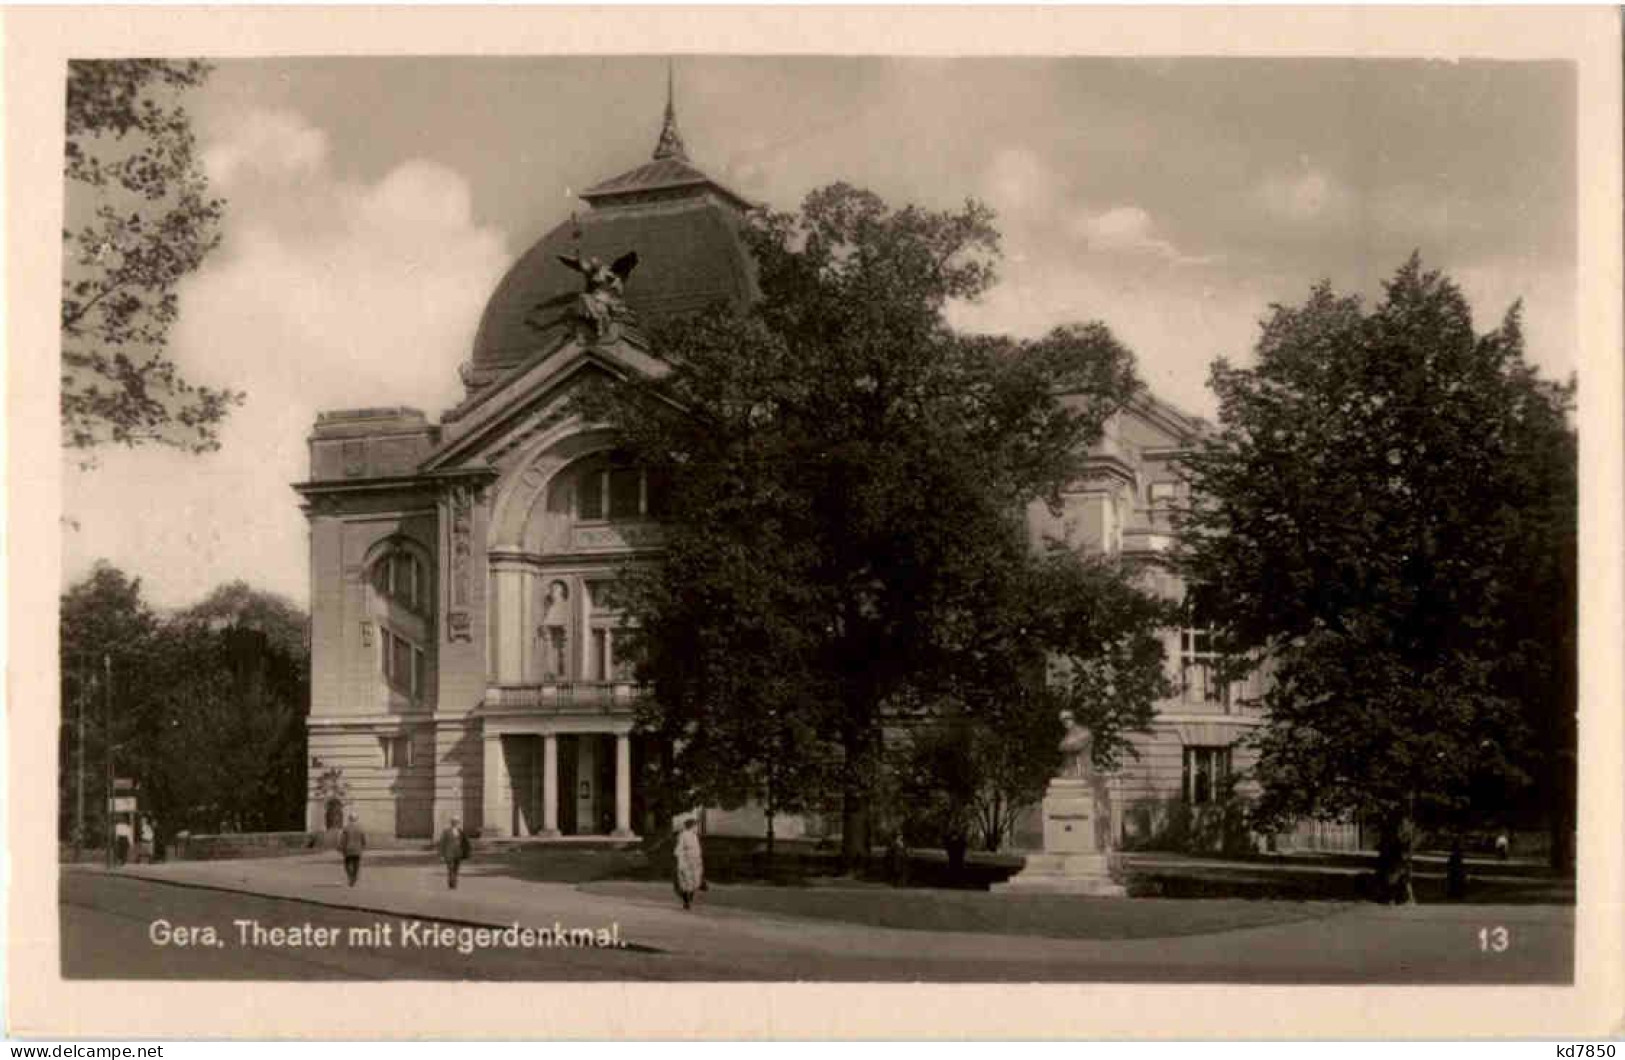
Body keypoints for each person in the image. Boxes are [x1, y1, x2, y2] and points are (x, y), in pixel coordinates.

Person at [674, 817, 704, 910]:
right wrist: (681, 860)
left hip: (695, 861)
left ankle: (689, 898)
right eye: (695, 826)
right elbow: (679, 849)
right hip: (686, 861)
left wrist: (699, 861)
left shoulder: (694, 836)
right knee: (686, 882)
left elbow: (697, 849)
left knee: (695, 881)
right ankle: (686, 902)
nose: (697, 828)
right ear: (692, 826)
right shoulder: (683, 835)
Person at [437, 816, 471, 890]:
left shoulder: (460, 831)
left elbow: (465, 843)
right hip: (449, 853)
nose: (455, 823)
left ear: (458, 823)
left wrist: (466, 853)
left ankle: (454, 881)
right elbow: (442, 843)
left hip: (458, 853)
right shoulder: (446, 831)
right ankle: (452, 883)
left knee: (456, 869)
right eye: (454, 822)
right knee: (450, 868)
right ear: (451, 823)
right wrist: (441, 855)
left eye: (456, 822)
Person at [339, 812, 367, 887]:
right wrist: (363, 846)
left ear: (349, 819)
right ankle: (354, 877)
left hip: (348, 849)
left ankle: (350, 876)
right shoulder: (360, 828)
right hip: (357, 849)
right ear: (356, 819)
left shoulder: (346, 828)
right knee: (356, 864)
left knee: (347, 864)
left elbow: (343, 839)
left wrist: (341, 847)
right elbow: (363, 839)